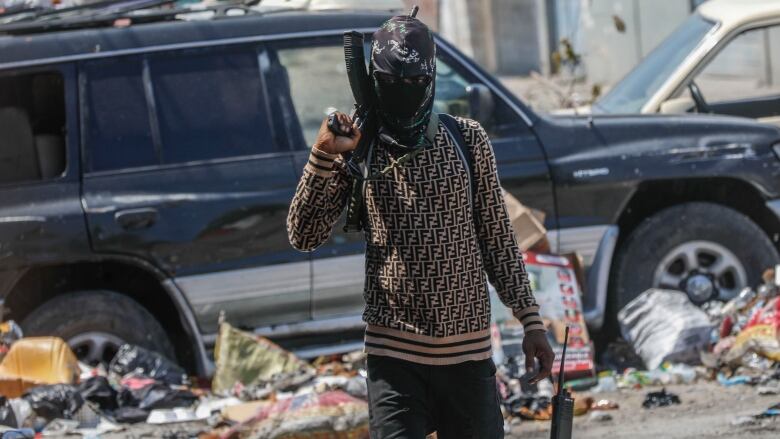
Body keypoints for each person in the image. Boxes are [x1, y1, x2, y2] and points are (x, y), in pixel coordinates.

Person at [287, 12, 554, 439]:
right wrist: (324, 158)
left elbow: (498, 239)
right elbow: (303, 235)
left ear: (430, 81)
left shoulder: (467, 140)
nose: (404, 93)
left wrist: (531, 322)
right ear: (374, 82)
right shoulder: (359, 147)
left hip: (468, 358)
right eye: (393, 84)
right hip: (394, 357)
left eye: (415, 83)